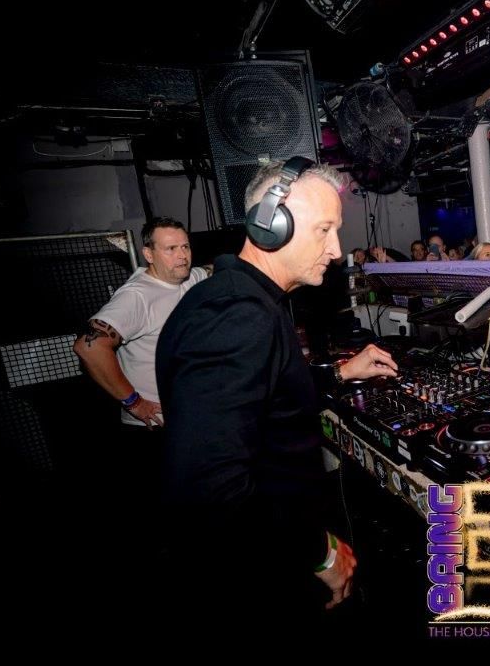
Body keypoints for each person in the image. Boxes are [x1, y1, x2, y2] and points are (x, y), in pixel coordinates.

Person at [155, 160, 399, 632]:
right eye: (324, 230)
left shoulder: (240, 297)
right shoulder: (236, 314)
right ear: (270, 224)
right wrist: (318, 551)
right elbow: (211, 486)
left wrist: (340, 372)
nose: (336, 249)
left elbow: (265, 396)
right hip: (259, 573)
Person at [72, 217, 208, 565]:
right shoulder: (137, 297)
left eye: (185, 246)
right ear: (148, 254)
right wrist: (133, 402)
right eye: (170, 249)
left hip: (189, 422)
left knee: (202, 510)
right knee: (166, 523)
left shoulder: (191, 278)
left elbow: (212, 271)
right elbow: (89, 347)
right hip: (153, 430)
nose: (182, 255)